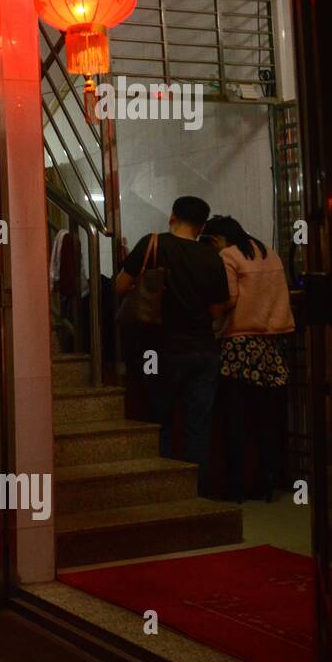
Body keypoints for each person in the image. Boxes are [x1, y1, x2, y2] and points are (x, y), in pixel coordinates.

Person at [114, 196, 230, 487]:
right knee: (198, 425)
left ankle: (164, 488)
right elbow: (218, 309)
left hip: (157, 351)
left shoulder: (153, 244)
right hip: (203, 351)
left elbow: (120, 285)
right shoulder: (212, 257)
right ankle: (195, 490)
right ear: (202, 226)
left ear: (172, 217)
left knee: (159, 419)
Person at [200, 216, 295, 502]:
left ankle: (236, 484)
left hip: (240, 343)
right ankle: (266, 482)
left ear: (217, 239)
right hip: (271, 343)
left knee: (235, 418)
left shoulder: (229, 255)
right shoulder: (269, 252)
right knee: (266, 418)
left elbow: (227, 299)